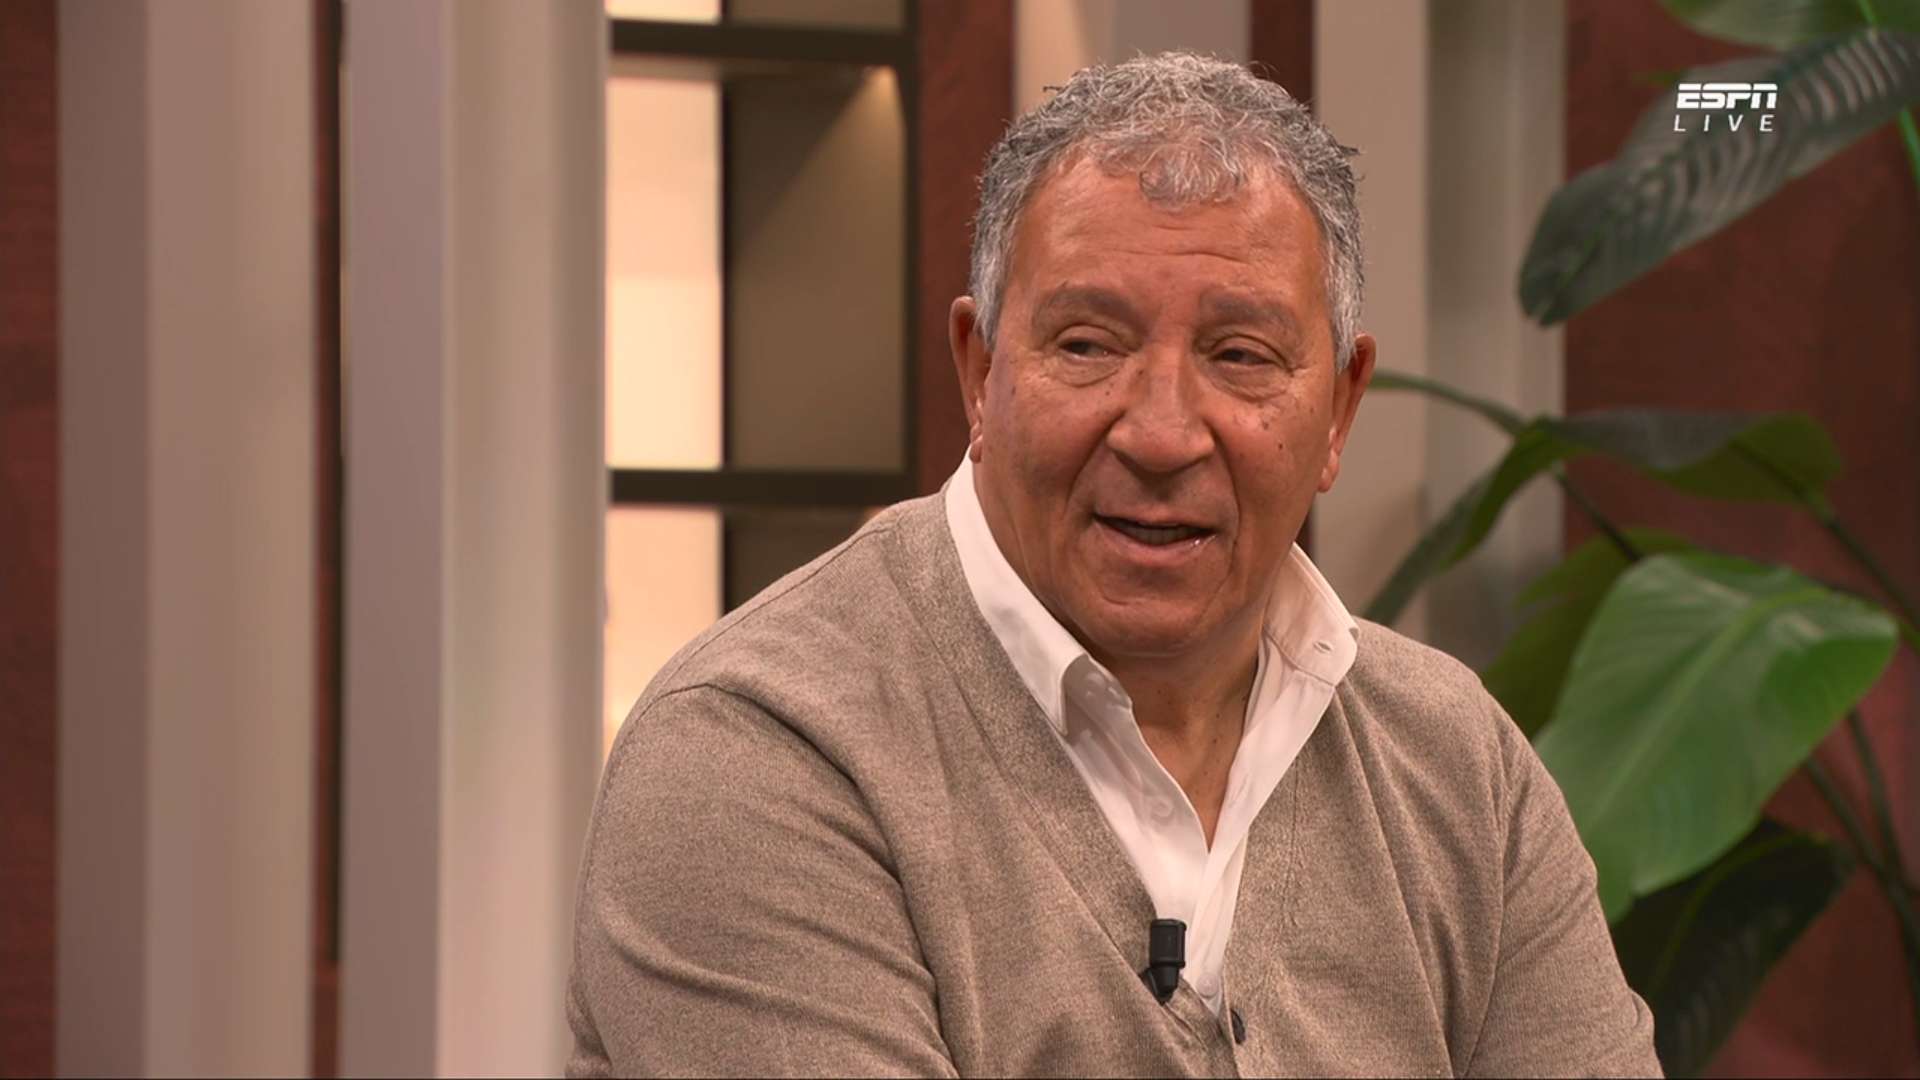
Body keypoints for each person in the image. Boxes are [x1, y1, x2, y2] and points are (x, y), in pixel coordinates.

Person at [567, 52, 1660, 1077]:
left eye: (1241, 356)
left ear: (1339, 409)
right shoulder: (758, 752)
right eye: (1089, 345)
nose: (1162, 433)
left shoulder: (1454, 762)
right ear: (980, 375)